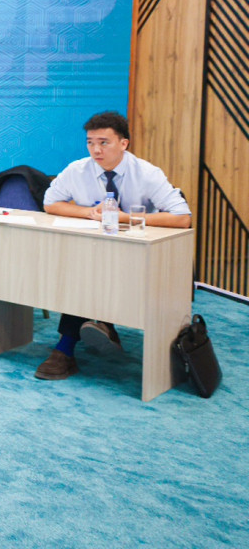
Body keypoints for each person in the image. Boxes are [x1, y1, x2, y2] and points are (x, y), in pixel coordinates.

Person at [36, 111, 192, 381]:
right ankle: (79, 340)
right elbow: (50, 203)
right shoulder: (77, 170)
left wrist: (123, 217)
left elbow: (182, 217)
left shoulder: (147, 173)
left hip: (140, 255)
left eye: (104, 143)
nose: (96, 150)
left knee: (88, 274)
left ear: (123, 143)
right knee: (83, 272)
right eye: (90, 142)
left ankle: (68, 347)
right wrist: (88, 212)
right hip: (93, 252)